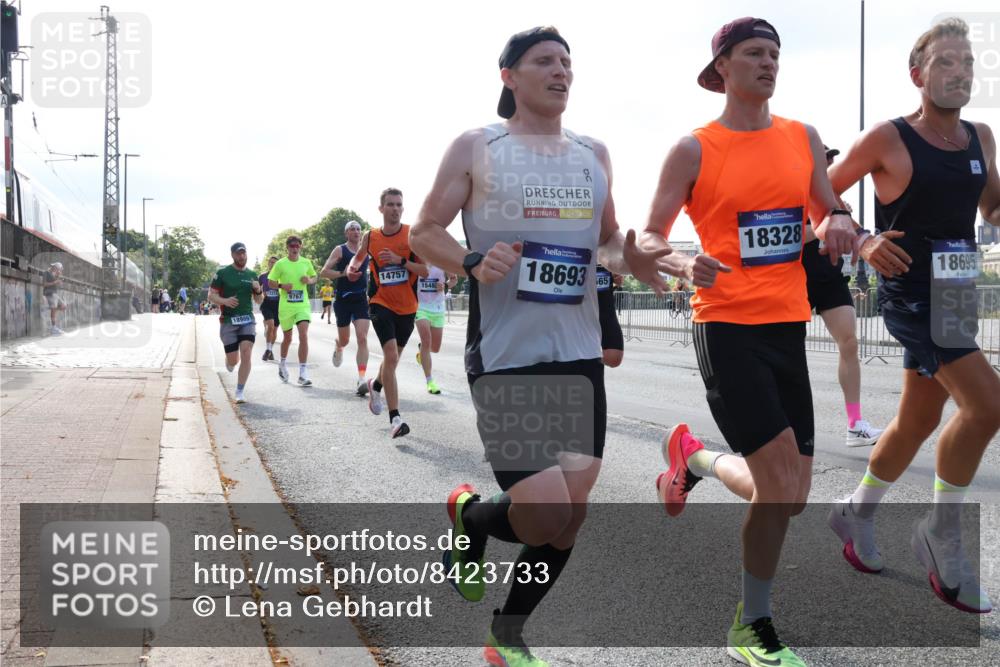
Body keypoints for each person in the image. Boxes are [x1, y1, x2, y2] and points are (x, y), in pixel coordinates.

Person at [410, 26, 672, 666]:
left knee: (571, 515)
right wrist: (472, 258)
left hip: (577, 353)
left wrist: (629, 256)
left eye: (566, 63)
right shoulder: (479, 146)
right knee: (540, 514)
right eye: (544, 62)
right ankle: (472, 519)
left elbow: (609, 242)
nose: (560, 72)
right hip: (507, 355)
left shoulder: (593, 153)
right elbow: (423, 231)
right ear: (509, 76)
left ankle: (507, 633)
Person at [640, 17, 861, 667]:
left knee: (790, 495)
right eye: (755, 54)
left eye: (775, 54)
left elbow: (827, 209)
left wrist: (848, 227)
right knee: (775, 483)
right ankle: (752, 623)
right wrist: (681, 262)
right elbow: (648, 236)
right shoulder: (694, 149)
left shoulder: (802, 138)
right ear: (723, 69)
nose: (769, 63)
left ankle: (694, 458)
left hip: (785, 329)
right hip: (726, 326)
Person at [826, 17, 999, 613]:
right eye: (946, 63)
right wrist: (863, 235)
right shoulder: (887, 138)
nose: (959, 73)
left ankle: (856, 511)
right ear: (918, 73)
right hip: (911, 294)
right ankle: (942, 533)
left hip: (956, 292)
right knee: (988, 405)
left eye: (967, 64)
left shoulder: (981, 137)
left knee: (917, 421)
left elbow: (993, 208)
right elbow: (815, 198)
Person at [803, 146, 884, 447]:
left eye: (833, 158)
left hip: (829, 275)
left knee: (849, 343)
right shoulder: (791, 188)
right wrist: (826, 224)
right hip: (796, 276)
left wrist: (866, 238)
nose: (833, 163)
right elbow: (796, 236)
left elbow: (853, 232)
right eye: (826, 158)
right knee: (787, 353)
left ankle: (855, 425)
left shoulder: (831, 195)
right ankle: (787, 425)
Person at [347, 188, 429, 437]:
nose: (395, 208)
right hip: (379, 301)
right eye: (390, 204)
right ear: (381, 208)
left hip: (408, 307)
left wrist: (400, 260)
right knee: (390, 354)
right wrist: (352, 269)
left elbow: (424, 271)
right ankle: (395, 419)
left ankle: (376, 384)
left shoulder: (411, 235)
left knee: (392, 360)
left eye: (399, 205)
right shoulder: (371, 237)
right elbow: (359, 258)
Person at [320, 220, 372, 396]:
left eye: (358, 229)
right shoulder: (340, 250)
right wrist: (344, 274)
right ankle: (338, 346)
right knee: (345, 340)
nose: (356, 231)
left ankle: (362, 379)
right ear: (346, 233)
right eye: (352, 229)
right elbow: (324, 272)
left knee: (362, 338)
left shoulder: (366, 249)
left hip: (361, 300)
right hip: (343, 300)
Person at [207, 243, 264, 404]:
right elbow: (211, 295)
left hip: (247, 319)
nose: (242, 256)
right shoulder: (223, 273)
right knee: (233, 361)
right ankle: (229, 359)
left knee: (246, 352)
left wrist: (258, 290)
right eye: (238, 254)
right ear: (232, 255)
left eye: (244, 253)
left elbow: (259, 300)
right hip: (228, 321)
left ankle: (239, 391)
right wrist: (225, 301)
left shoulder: (253, 274)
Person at [267, 235, 318, 386]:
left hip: (302, 305)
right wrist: (282, 286)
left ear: (301, 247)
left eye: (297, 246)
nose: (295, 248)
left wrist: (309, 280)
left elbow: (315, 276)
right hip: (286, 307)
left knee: (303, 335)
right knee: (287, 338)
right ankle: (282, 364)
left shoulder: (306, 262)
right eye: (292, 246)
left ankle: (303, 372)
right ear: (287, 248)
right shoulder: (280, 264)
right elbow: (270, 282)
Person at [414, 265, 458, 393]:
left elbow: (454, 279)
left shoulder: (440, 261)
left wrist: (445, 286)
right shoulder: (417, 261)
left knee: (435, 348)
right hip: (421, 308)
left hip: (438, 308)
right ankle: (430, 381)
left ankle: (421, 351)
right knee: (426, 341)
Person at [596, 264, 624, 367]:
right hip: (575, 311)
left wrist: (618, 275)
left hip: (604, 308)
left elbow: (619, 274)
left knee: (613, 357)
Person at [258, 256, 280, 361]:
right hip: (266, 304)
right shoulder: (263, 276)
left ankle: (270, 350)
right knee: (271, 326)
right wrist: (261, 295)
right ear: (268, 264)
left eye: (275, 263)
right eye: (271, 262)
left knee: (274, 330)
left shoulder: (281, 276)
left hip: (278, 305)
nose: (273, 264)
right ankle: (267, 350)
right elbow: (256, 290)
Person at [42, 261, 68, 335]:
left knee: (64, 306)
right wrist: (55, 282)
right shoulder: (46, 273)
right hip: (49, 293)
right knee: (54, 308)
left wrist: (58, 278)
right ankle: (53, 328)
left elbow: (57, 284)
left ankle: (51, 310)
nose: (58, 271)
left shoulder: (55, 275)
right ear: (55, 267)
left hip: (55, 294)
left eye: (59, 270)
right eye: (58, 269)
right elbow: (44, 284)